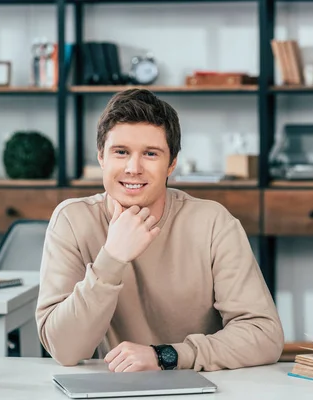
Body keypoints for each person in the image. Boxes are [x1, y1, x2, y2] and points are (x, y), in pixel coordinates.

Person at [35, 88, 284, 372]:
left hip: (203, 385)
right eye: (121, 152)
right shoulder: (72, 220)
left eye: (150, 154)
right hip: (113, 387)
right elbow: (64, 349)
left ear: (171, 164)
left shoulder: (213, 223)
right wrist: (112, 258)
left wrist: (166, 356)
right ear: (101, 158)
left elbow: (265, 336)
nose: (133, 168)